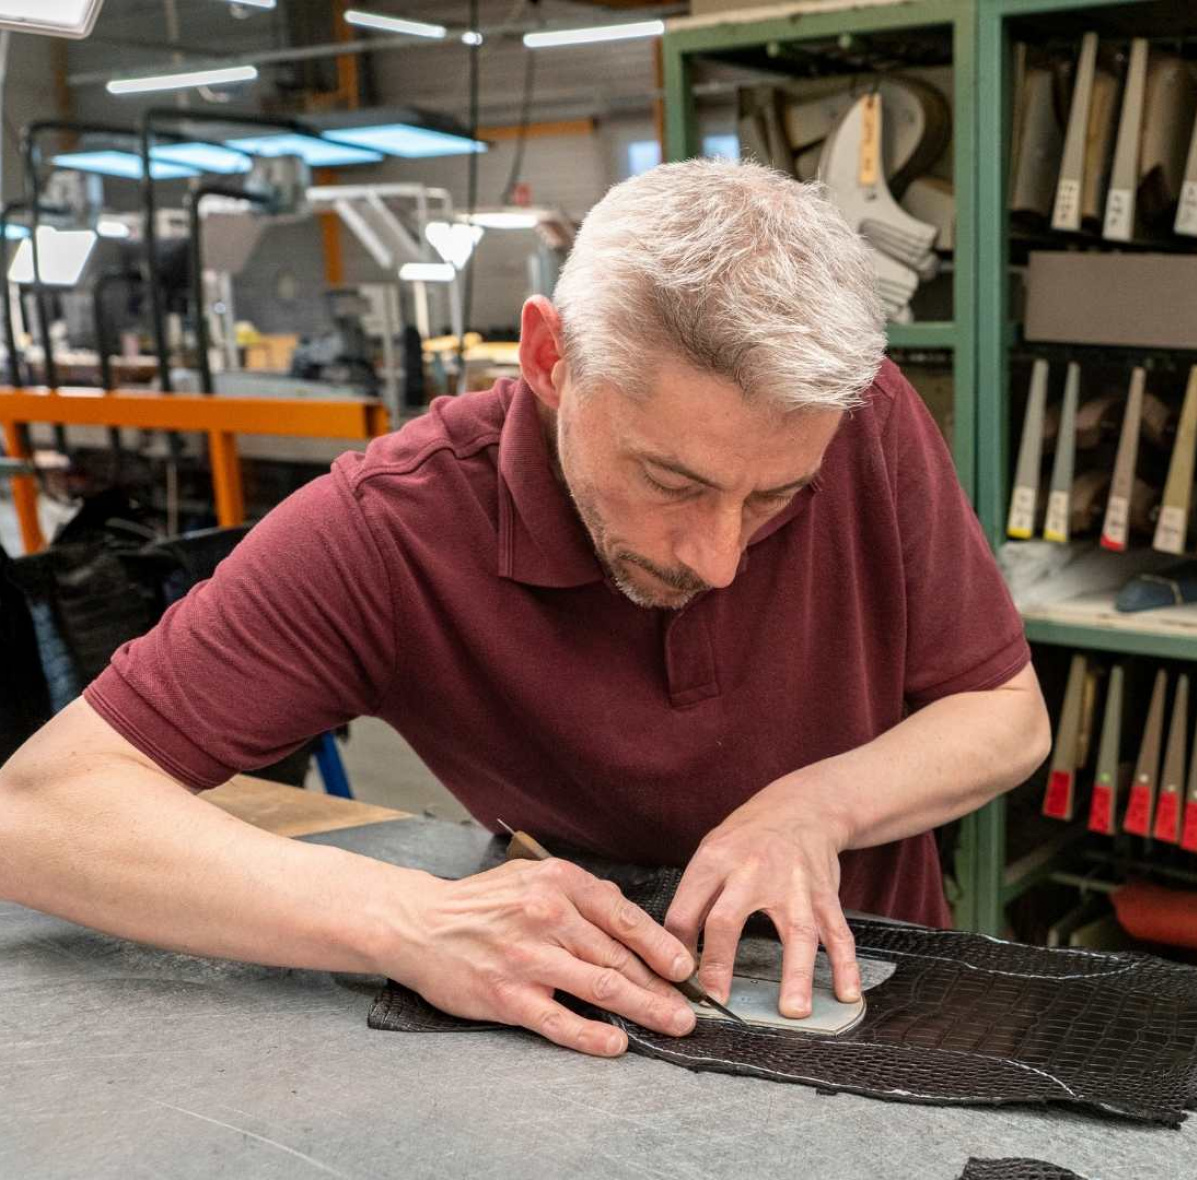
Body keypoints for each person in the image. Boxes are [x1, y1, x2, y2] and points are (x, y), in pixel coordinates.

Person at [0, 159, 1050, 1058]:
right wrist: (409, 920)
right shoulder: (391, 531)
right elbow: (36, 814)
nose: (721, 559)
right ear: (551, 360)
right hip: (579, 1035)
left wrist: (814, 807)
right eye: (672, 481)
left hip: (894, 1004)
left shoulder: (858, 418)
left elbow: (1004, 712)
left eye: (777, 498)